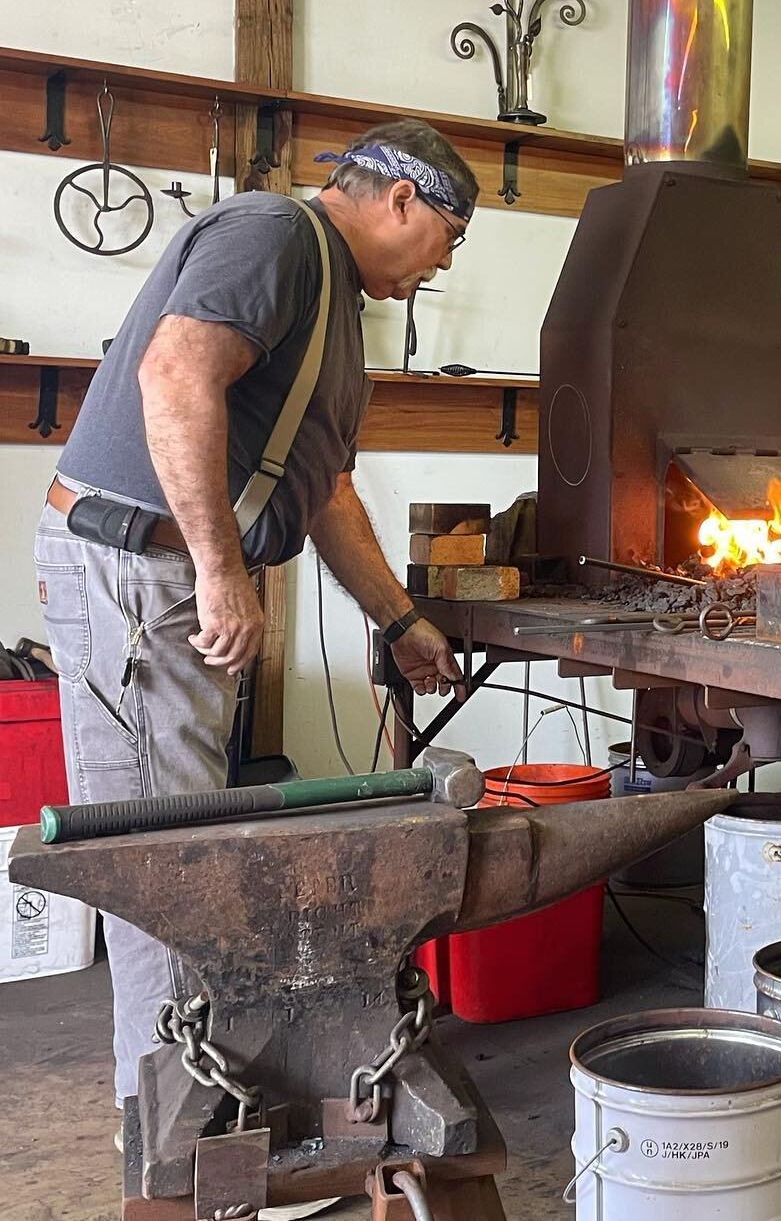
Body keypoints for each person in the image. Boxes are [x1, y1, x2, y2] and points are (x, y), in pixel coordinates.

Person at [34, 119, 474, 1176]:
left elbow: (323, 490)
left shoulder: (330, 299)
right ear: (401, 201)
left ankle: (187, 1104)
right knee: (161, 854)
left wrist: (400, 620)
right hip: (140, 570)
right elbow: (176, 375)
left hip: (172, 570)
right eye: (450, 234)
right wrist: (221, 570)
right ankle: (170, 1136)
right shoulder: (277, 235)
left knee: (188, 835)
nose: (448, 259)